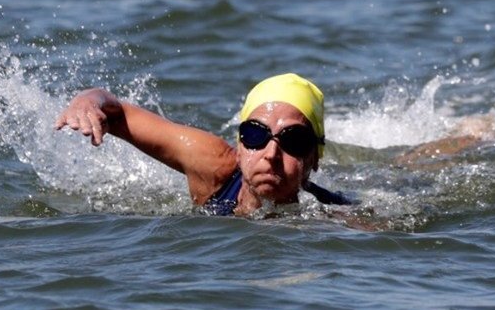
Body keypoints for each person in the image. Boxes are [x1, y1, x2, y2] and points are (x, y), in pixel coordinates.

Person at [55, 72, 352, 216]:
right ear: (239, 143)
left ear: (315, 157)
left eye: (293, 140)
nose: (270, 154)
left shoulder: (335, 216)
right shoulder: (211, 165)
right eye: (255, 135)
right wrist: (86, 102)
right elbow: (115, 111)